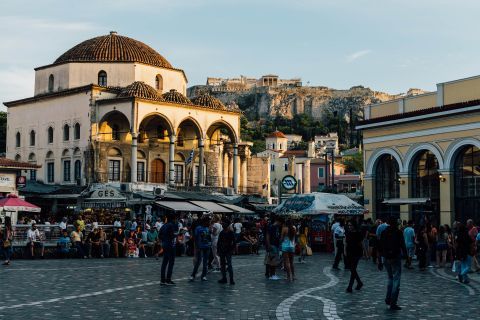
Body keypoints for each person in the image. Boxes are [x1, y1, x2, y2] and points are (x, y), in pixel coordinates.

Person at [378, 217, 407, 311]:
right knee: (396, 280)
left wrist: (379, 261)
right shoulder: (398, 232)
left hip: (386, 258)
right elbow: (402, 245)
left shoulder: (384, 232)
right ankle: (393, 302)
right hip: (395, 257)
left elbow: (380, 247)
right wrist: (407, 257)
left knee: (390, 278)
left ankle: (388, 298)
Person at [190, 216, 212, 282]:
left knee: (205, 262)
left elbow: (209, 238)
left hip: (207, 247)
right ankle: (193, 275)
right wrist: (197, 247)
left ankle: (204, 276)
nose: (209, 223)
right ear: (205, 222)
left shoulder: (207, 228)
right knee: (198, 262)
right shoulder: (198, 228)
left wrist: (209, 244)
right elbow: (196, 238)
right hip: (200, 247)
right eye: (208, 221)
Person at [345, 220, 364, 293]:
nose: (349, 227)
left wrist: (364, 253)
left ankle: (350, 287)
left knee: (353, 269)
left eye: (351, 225)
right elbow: (346, 243)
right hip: (349, 253)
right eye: (349, 225)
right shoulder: (348, 233)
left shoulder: (358, 233)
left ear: (354, 225)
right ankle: (359, 283)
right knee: (352, 269)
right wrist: (345, 252)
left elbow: (360, 243)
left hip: (356, 253)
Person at [160, 213, 177, 285]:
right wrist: (178, 234)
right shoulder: (171, 225)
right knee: (171, 262)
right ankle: (168, 279)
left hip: (164, 244)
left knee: (164, 262)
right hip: (170, 245)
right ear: (173, 219)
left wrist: (164, 240)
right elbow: (172, 235)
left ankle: (162, 280)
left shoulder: (164, 225)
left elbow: (159, 235)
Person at [217, 218, 235, 285]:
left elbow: (234, 242)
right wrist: (218, 250)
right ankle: (224, 278)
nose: (222, 224)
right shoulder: (222, 232)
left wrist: (232, 249)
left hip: (228, 250)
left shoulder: (230, 232)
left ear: (227, 224)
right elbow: (219, 242)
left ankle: (231, 279)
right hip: (222, 250)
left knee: (229, 265)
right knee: (222, 265)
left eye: (224, 223)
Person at [265, 216, 282, 280]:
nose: (280, 224)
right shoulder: (272, 227)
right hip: (273, 245)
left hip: (275, 245)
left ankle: (273, 274)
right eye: (280, 223)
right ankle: (272, 275)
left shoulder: (276, 227)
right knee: (272, 261)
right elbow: (267, 236)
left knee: (274, 261)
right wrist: (269, 245)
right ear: (278, 221)